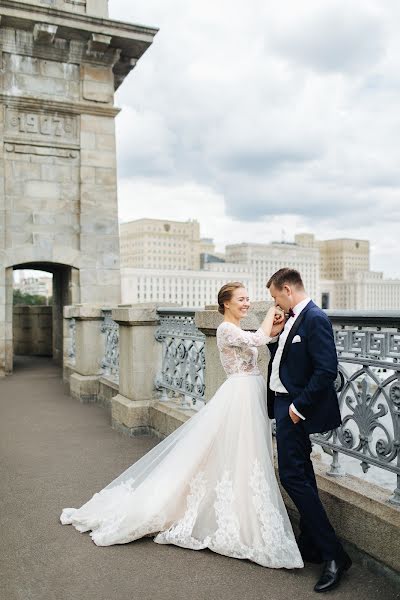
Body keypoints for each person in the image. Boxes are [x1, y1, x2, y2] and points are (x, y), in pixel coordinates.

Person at [61, 282, 303, 570]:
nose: (247, 303)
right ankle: (236, 514)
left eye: (248, 299)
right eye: (241, 299)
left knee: (242, 454)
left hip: (249, 393)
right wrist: (274, 310)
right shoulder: (226, 328)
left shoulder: (237, 330)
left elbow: (263, 338)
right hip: (239, 395)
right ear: (226, 303)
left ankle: (241, 507)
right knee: (237, 451)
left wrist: (275, 327)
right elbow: (259, 338)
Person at [266, 268, 351, 593]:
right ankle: (311, 543)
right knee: (301, 472)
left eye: (276, 297)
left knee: (291, 476)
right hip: (284, 405)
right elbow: (286, 364)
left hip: (294, 410)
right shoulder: (293, 318)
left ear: (287, 290)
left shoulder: (314, 318)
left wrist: (297, 408)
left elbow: (326, 368)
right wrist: (275, 337)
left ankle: (335, 555)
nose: (276, 304)